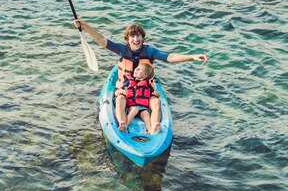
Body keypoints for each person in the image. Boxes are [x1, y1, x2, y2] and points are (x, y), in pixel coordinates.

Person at [73, 19, 207, 133]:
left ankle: (154, 127)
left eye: (138, 36)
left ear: (143, 38)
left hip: (145, 93)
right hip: (126, 90)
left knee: (156, 101)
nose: (136, 39)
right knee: (119, 99)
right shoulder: (122, 50)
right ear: (127, 39)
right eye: (132, 36)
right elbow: (102, 40)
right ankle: (122, 124)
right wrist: (84, 25)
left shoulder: (150, 51)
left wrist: (192, 57)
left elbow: (169, 57)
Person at [116, 63, 161, 134]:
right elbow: (119, 90)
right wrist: (120, 91)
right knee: (134, 110)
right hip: (132, 106)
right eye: (136, 68)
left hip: (143, 107)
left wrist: (157, 94)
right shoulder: (128, 81)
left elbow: (153, 93)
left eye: (139, 69)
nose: (136, 69)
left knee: (146, 114)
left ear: (144, 75)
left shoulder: (147, 84)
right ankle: (125, 126)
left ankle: (150, 130)